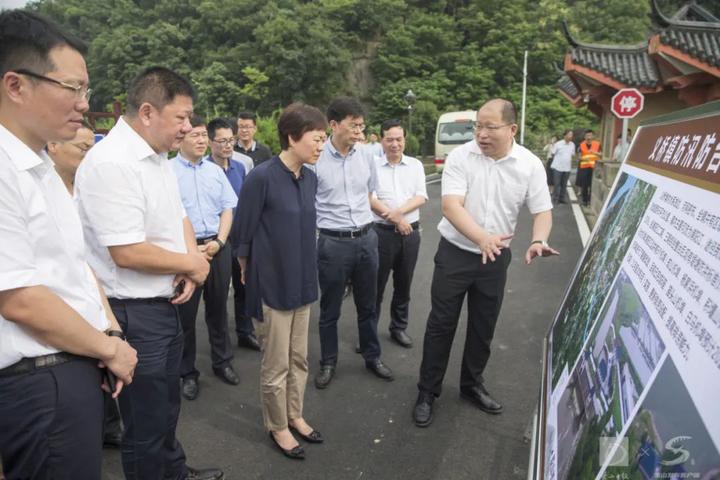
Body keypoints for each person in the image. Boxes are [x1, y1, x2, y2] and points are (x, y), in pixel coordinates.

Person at [0, 10, 137, 478]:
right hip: (41, 379)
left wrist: (112, 333)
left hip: (73, 361)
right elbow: (18, 297)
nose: (84, 104)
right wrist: (109, 349)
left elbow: (76, 268)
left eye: (86, 90)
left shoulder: (40, 166)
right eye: (73, 88)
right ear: (16, 85)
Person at [75, 66, 222, 480]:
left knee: (165, 407)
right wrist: (191, 263)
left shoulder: (156, 158)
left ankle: (173, 472)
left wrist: (193, 260)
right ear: (146, 112)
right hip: (132, 312)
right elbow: (126, 251)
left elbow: (179, 218)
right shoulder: (112, 163)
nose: (189, 127)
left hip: (163, 303)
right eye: (181, 118)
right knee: (144, 423)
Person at [412, 98, 559, 428]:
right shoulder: (461, 157)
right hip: (456, 253)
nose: (481, 133)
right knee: (441, 324)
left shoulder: (530, 164)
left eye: (490, 127)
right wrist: (481, 237)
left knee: (483, 326)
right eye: (478, 126)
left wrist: (538, 240)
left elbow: (542, 210)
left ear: (512, 129)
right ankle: (427, 391)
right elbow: (451, 206)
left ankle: (471, 386)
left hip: (495, 258)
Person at [233, 102, 327, 460]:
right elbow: (243, 233)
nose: (321, 146)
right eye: (317, 139)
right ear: (292, 137)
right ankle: (278, 426)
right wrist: (246, 272)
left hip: (303, 281)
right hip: (270, 284)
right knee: (276, 364)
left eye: (324, 140)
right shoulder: (261, 177)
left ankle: (295, 415)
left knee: (300, 359)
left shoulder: (311, 177)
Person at [47, 123, 125, 449]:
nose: (89, 155)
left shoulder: (81, 191)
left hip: (95, 301)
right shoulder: (39, 192)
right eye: (82, 148)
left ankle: (107, 426)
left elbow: (85, 264)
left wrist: (113, 329)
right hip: (52, 319)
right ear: (52, 145)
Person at [313, 96, 395, 390]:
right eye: (354, 126)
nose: (359, 132)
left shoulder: (366, 156)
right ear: (334, 125)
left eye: (362, 126)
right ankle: (328, 361)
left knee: (368, 305)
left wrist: (390, 215)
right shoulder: (316, 158)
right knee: (330, 308)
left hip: (366, 238)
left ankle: (372, 356)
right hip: (333, 243)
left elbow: (369, 195)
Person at [172, 116, 240, 401]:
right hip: (186, 253)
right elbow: (167, 216)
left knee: (218, 309)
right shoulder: (167, 171)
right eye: (195, 135)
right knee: (185, 316)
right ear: (181, 138)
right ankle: (187, 372)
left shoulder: (215, 171)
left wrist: (220, 241)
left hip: (217, 248)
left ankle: (222, 361)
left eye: (203, 135)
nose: (200, 140)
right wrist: (191, 249)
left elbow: (227, 208)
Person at [369, 119, 427, 348]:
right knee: (375, 286)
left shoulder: (415, 165)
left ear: (405, 140)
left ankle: (398, 327)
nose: (395, 144)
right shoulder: (372, 165)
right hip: (380, 234)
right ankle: (368, 332)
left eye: (399, 139)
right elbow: (370, 198)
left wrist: (399, 216)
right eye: (389, 139)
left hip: (409, 234)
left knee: (404, 283)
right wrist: (396, 219)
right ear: (382, 140)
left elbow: (421, 196)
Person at [209, 118, 261, 352]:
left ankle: (245, 332)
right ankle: (221, 347)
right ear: (211, 143)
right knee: (218, 297)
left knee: (244, 287)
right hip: (218, 240)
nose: (228, 145)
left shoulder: (241, 167)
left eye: (231, 140)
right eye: (222, 141)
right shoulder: (206, 170)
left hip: (241, 237)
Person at [575, 129, 601, 206]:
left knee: (592, 185)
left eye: (590, 135)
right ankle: (585, 201)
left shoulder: (597, 144)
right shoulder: (581, 145)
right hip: (584, 168)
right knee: (584, 185)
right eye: (587, 135)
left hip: (594, 167)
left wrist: (595, 152)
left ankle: (590, 200)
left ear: (593, 136)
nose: (588, 137)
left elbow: (601, 154)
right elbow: (579, 156)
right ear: (584, 136)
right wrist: (584, 158)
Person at [550, 130, 575, 204]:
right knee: (557, 184)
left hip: (567, 168)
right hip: (558, 167)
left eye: (572, 135)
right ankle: (555, 199)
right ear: (565, 135)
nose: (571, 136)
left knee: (564, 184)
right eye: (569, 134)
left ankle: (562, 198)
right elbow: (553, 153)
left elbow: (572, 154)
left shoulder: (572, 144)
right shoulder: (558, 144)